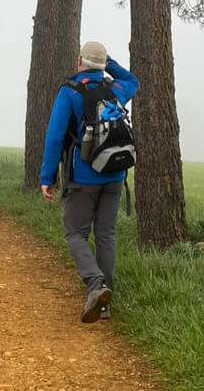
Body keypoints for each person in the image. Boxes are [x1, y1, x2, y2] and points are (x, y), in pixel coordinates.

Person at [39, 41, 139, 323]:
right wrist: (109, 64)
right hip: (116, 174)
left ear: (79, 61)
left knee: (75, 233)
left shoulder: (70, 91)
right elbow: (132, 79)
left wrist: (47, 178)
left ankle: (96, 286)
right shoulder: (117, 89)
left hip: (83, 176)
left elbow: (55, 137)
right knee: (106, 235)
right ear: (104, 64)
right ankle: (104, 304)